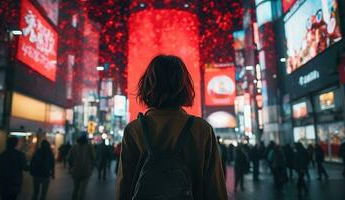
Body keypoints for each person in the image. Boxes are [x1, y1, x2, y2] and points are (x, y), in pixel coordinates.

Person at [115, 55, 227, 200]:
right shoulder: (202, 130)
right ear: (184, 86)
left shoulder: (134, 130)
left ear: (148, 85)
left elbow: (123, 188)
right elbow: (215, 189)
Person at [67, 134, 95, 200]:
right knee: (82, 190)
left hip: (75, 171)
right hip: (86, 171)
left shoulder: (74, 146)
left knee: (76, 189)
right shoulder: (89, 146)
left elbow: (68, 157)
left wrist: (71, 166)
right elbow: (93, 157)